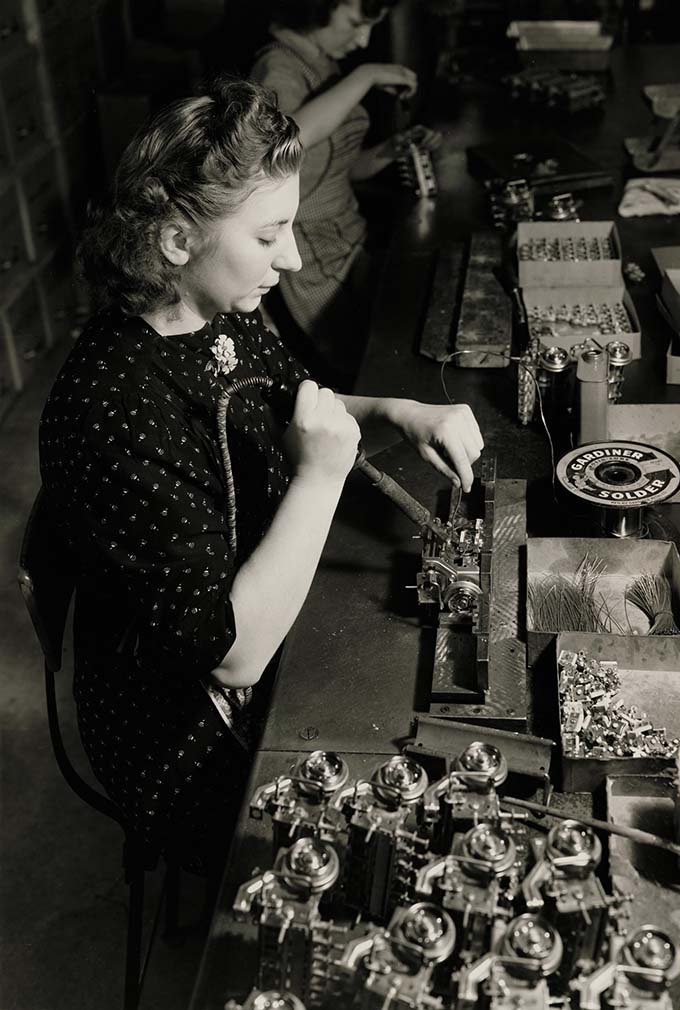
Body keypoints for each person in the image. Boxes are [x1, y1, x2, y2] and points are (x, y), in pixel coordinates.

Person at [38, 78, 482, 877]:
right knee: (412, 822)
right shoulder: (114, 407)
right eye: (271, 233)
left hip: (256, 610)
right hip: (181, 732)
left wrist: (399, 410)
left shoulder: (216, 314)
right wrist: (318, 481)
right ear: (177, 240)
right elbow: (231, 656)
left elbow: (295, 408)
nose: (294, 257)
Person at [250, 0, 440, 387]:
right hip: (308, 250)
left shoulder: (322, 63)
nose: (363, 39)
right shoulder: (279, 67)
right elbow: (289, 141)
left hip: (347, 234)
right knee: (374, 366)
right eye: (356, 23)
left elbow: (338, 170)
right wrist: (366, 76)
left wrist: (391, 150)